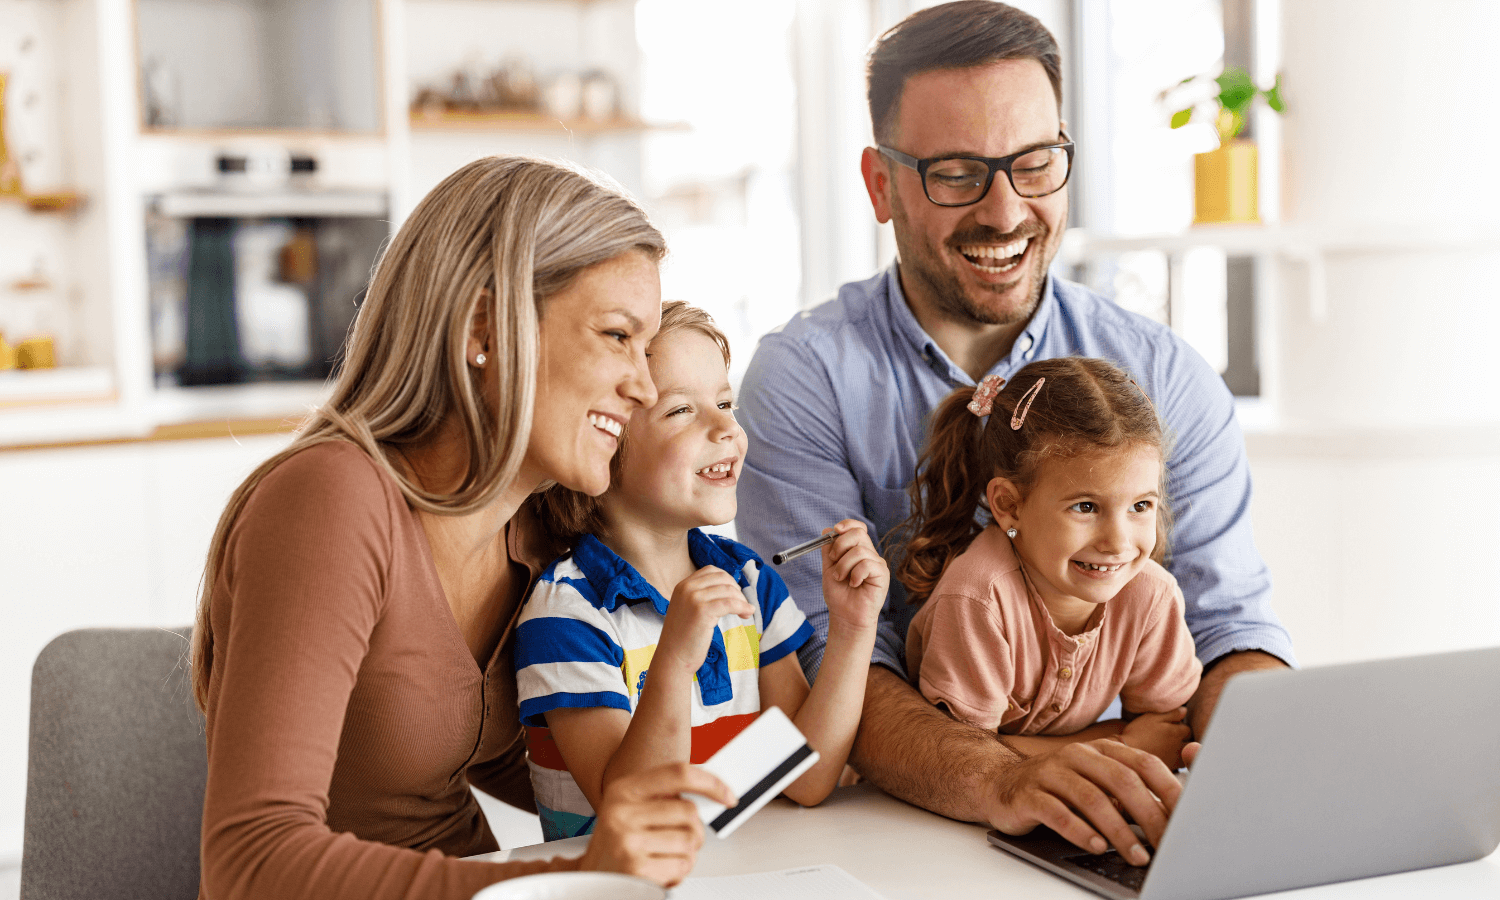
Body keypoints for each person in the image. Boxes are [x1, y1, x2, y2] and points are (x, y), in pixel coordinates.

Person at [735, 0, 1295, 865]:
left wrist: (1252, 787)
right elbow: (826, 666)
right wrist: (1007, 784)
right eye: (956, 173)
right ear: (881, 185)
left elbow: (1231, 632)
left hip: (1121, 822)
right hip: (899, 844)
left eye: (1035, 164)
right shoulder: (805, 380)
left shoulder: (1167, 376)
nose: (1005, 213)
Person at [190, 157, 737, 900]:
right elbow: (250, 865)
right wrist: (577, 875)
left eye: (647, 351)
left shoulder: (538, 537)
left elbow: (540, 772)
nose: (642, 386)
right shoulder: (331, 501)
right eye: (617, 337)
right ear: (487, 328)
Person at [515, 302, 888, 841]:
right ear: (604, 442)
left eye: (724, 402)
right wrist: (672, 662)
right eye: (681, 411)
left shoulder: (751, 584)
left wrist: (854, 628)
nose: (727, 429)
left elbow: (806, 778)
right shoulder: (566, 616)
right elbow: (633, 814)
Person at [900, 359, 1202, 816]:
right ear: (1009, 506)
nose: (1118, 542)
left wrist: (1119, 747)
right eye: (1085, 506)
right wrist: (1116, 740)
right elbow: (969, 762)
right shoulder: (979, 597)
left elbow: (1166, 733)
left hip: (1061, 808)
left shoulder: (1151, 595)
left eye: (1140, 505)